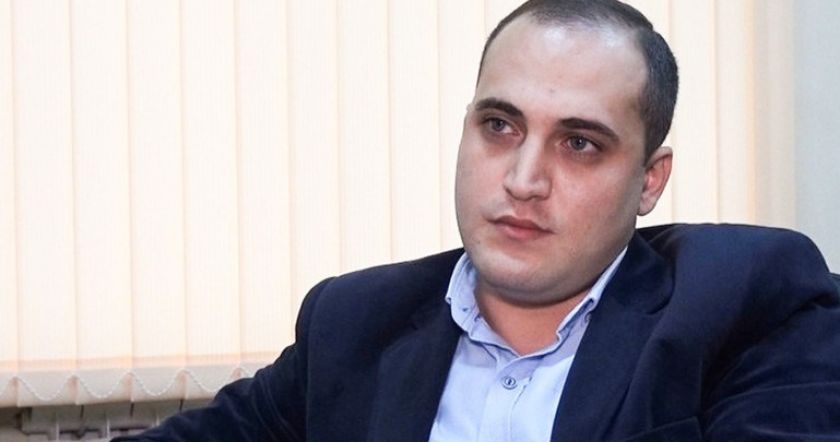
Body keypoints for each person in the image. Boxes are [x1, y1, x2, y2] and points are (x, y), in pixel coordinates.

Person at [115, 0, 840, 440]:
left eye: (579, 144)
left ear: (650, 180)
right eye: (499, 126)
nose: (523, 180)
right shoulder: (354, 324)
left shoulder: (747, 305)